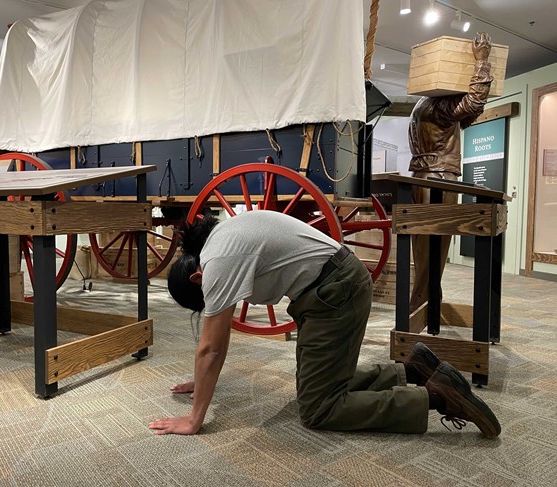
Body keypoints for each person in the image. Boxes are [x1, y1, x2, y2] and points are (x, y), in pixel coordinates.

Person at [149, 210, 500, 438]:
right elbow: (213, 347)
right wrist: (201, 378)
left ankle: (435, 396)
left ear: (198, 278)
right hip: (335, 287)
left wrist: (194, 419)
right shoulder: (225, 235)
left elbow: (212, 347)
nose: (210, 305)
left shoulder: (217, 262)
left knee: (319, 408)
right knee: (322, 385)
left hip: (334, 294)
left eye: (204, 302)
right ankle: (413, 370)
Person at [408, 32, 493, 312]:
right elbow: (471, 104)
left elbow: (465, 116)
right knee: (436, 247)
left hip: (425, 175)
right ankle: (422, 303)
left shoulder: (424, 104)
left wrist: (473, 107)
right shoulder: (439, 103)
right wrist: (481, 62)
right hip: (440, 179)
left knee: (425, 249)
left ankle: (426, 299)